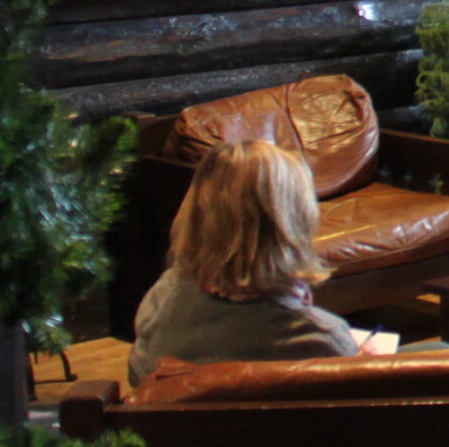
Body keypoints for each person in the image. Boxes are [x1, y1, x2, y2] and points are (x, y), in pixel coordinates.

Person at [127, 139, 361, 386]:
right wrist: (363, 362)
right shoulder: (323, 339)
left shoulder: (163, 296)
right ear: (291, 226)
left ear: (196, 216)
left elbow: (137, 375)